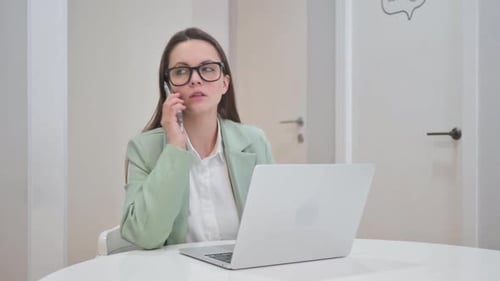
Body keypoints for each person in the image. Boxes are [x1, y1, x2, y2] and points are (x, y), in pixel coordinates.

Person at [120, 27, 274, 249]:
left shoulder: (254, 141)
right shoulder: (143, 148)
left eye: (208, 69)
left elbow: (273, 224)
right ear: (167, 87)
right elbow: (145, 236)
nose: (195, 80)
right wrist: (174, 147)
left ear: (225, 83)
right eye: (181, 72)